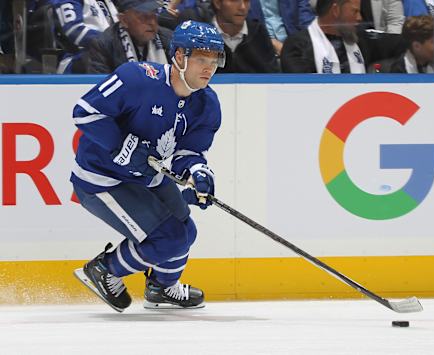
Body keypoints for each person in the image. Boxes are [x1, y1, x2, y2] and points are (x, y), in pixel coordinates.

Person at [72, 20, 225, 312]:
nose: (209, 68)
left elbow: (188, 152)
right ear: (179, 56)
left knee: (185, 232)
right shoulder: (138, 78)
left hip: (146, 177)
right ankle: (105, 269)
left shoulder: (207, 104)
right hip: (102, 179)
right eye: (201, 59)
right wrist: (123, 148)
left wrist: (197, 173)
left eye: (214, 60)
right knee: (170, 239)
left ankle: (161, 288)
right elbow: (85, 112)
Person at [85, 0, 172, 73]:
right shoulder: (104, 45)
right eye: (143, 17)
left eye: (154, 15)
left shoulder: (170, 40)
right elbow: (101, 87)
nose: (152, 22)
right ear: (123, 20)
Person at [211, 0, 280, 73]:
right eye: (235, 1)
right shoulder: (201, 35)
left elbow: (273, 78)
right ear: (217, 3)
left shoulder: (259, 33)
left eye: (246, 1)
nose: (242, 7)